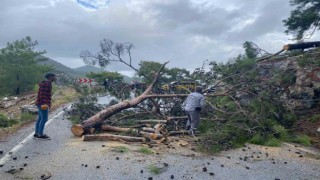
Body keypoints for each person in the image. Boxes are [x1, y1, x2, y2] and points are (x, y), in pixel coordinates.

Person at [34, 73, 56, 140]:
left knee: (40, 118)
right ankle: (40, 134)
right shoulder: (47, 84)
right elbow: (42, 94)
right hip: (43, 104)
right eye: (54, 76)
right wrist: (45, 104)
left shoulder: (46, 83)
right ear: (50, 77)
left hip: (40, 103)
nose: (56, 77)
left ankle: (36, 133)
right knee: (44, 119)